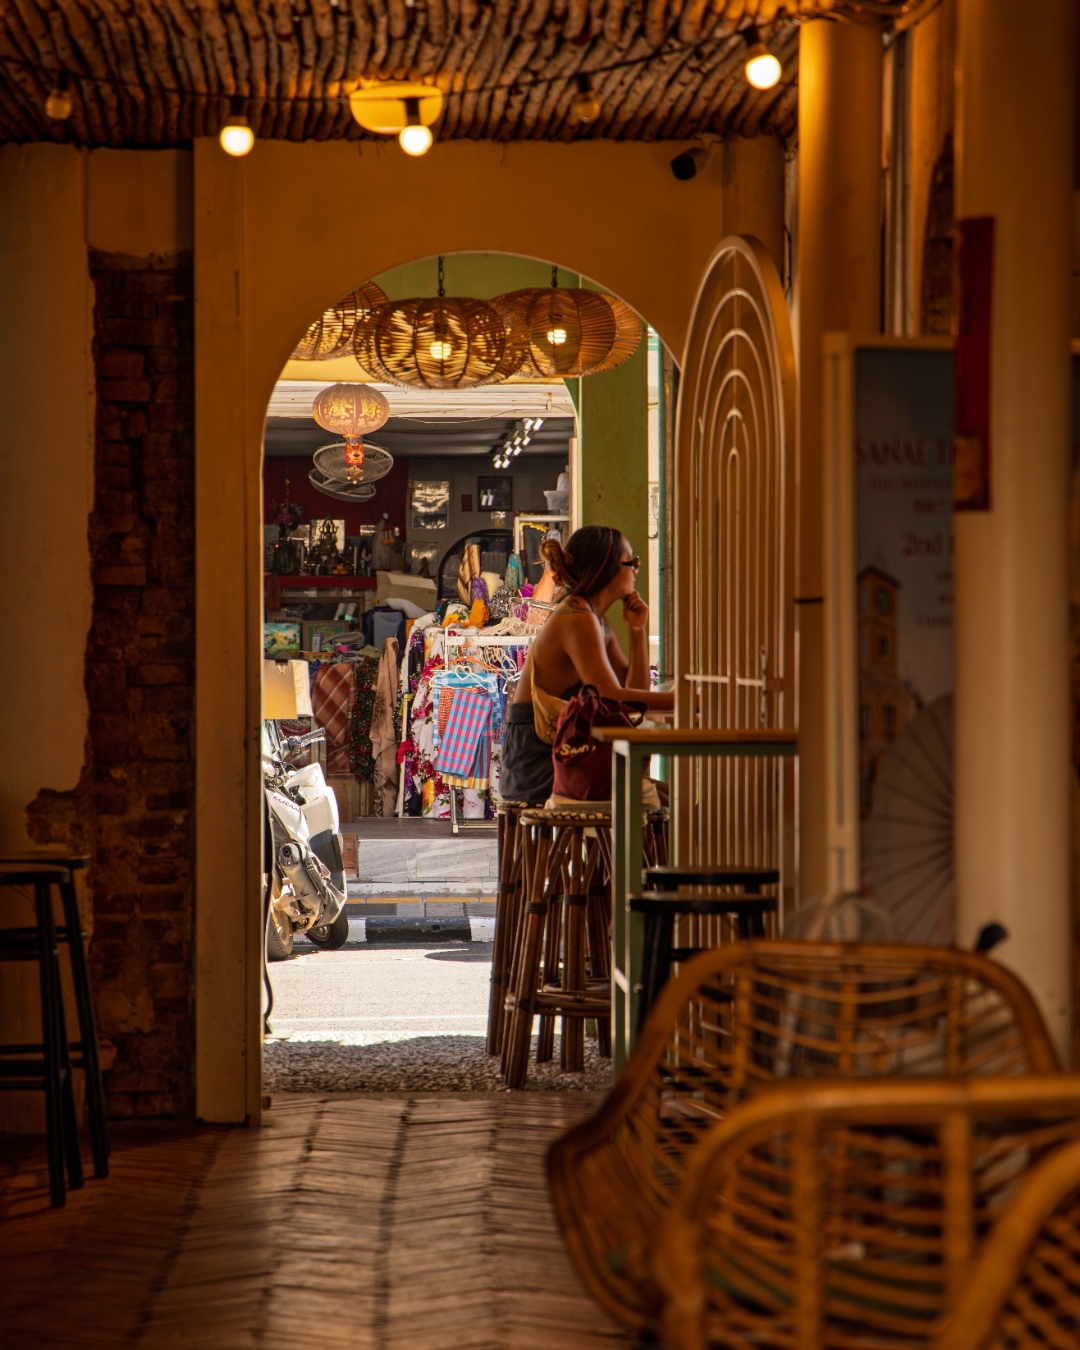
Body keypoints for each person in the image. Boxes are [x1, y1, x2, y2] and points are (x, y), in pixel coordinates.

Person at [499, 524, 674, 805]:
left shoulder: (594, 618)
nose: (637, 570)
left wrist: (637, 632)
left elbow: (632, 693)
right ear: (607, 569)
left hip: (567, 755)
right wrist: (689, 701)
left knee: (669, 799)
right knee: (663, 804)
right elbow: (615, 699)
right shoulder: (577, 617)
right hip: (540, 764)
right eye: (633, 563)